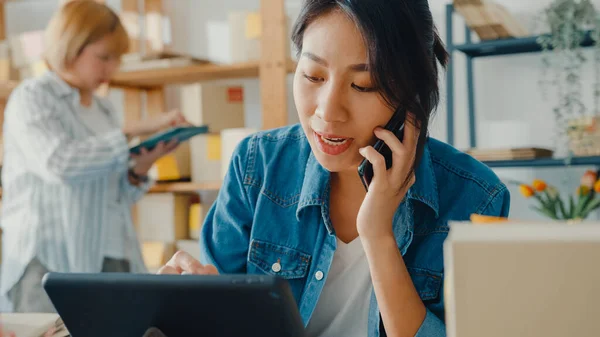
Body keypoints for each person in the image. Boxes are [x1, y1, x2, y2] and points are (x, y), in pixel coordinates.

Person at [158, 0, 510, 336]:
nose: (328, 112)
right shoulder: (257, 167)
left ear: (410, 92)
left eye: (363, 85)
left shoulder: (476, 199)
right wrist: (185, 309)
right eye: (312, 76)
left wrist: (377, 235)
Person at [0, 0, 187, 313]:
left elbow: (115, 195)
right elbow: (60, 163)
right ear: (70, 46)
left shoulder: (104, 110)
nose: (111, 69)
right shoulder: (32, 98)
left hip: (109, 257)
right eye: (103, 57)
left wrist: (141, 165)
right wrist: (133, 130)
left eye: (116, 59)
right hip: (48, 262)